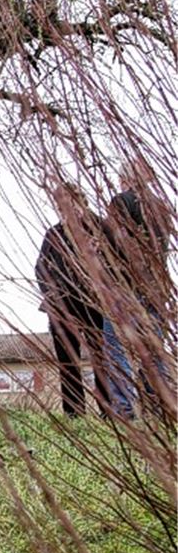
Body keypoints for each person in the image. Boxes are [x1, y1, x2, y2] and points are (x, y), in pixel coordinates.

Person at [96, 158, 175, 420]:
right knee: (153, 350)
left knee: (115, 347)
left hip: (125, 287)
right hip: (156, 288)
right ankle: (160, 405)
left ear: (124, 178)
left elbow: (112, 245)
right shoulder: (162, 207)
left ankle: (124, 407)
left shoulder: (121, 202)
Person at [34, 182, 107, 417]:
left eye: (69, 202)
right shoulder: (54, 233)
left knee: (102, 358)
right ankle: (74, 412)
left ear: (81, 201)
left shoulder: (100, 228)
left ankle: (110, 411)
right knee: (67, 360)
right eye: (60, 204)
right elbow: (41, 267)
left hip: (95, 304)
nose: (64, 208)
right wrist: (51, 293)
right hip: (62, 305)